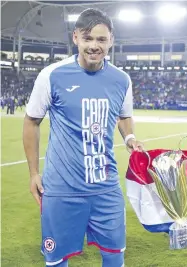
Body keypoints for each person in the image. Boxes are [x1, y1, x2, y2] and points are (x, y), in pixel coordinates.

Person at [23, 8, 143, 267]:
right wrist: (34, 173)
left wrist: (130, 136)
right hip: (61, 190)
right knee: (57, 261)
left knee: (114, 256)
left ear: (111, 40)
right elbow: (32, 121)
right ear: (75, 37)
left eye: (101, 40)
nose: (94, 46)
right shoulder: (52, 75)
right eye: (88, 38)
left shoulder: (121, 80)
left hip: (106, 188)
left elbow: (123, 115)